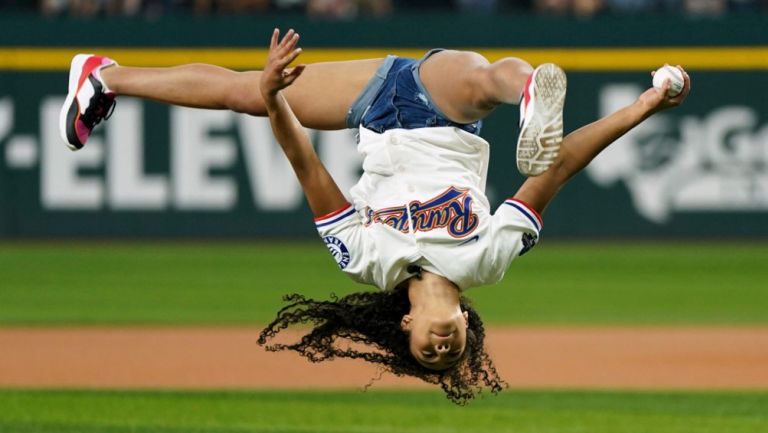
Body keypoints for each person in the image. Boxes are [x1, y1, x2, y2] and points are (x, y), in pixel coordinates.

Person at [59, 29, 691, 404]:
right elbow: (554, 171)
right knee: (487, 79)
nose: (441, 349)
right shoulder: (488, 259)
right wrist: (644, 105)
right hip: (443, 111)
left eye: (427, 354)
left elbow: (307, 167)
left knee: (244, 91)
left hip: (375, 110)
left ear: (408, 324)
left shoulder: (365, 260)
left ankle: (104, 76)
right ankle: (530, 98)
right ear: (466, 325)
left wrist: (276, 98)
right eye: (452, 352)